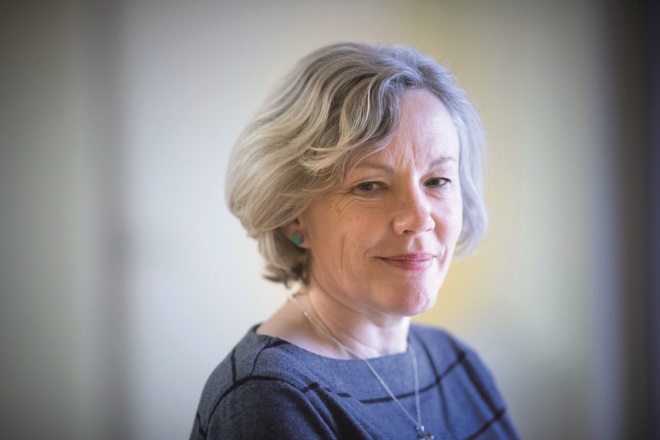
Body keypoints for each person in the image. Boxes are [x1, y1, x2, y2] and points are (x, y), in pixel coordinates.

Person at [190, 42, 519, 439]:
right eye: (370, 185)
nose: (419, 220)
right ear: (293, 216)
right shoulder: (267, 398)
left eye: (437, 181)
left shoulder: (454, 362)